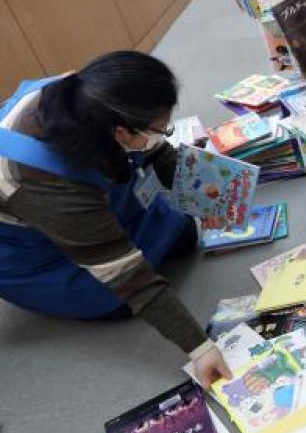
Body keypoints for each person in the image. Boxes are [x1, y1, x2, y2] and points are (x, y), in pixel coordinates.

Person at [0, 51, 231, 384]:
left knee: (183, 235)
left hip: (83, 190)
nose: (163, 134)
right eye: (159, 128)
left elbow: (156, 151)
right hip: (33, 254)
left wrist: (212, 196)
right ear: (122, 132)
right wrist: (201, 349)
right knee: (117, 299)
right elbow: (132, 282)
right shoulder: (41, 182)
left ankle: (119, 238)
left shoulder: (93, 97)